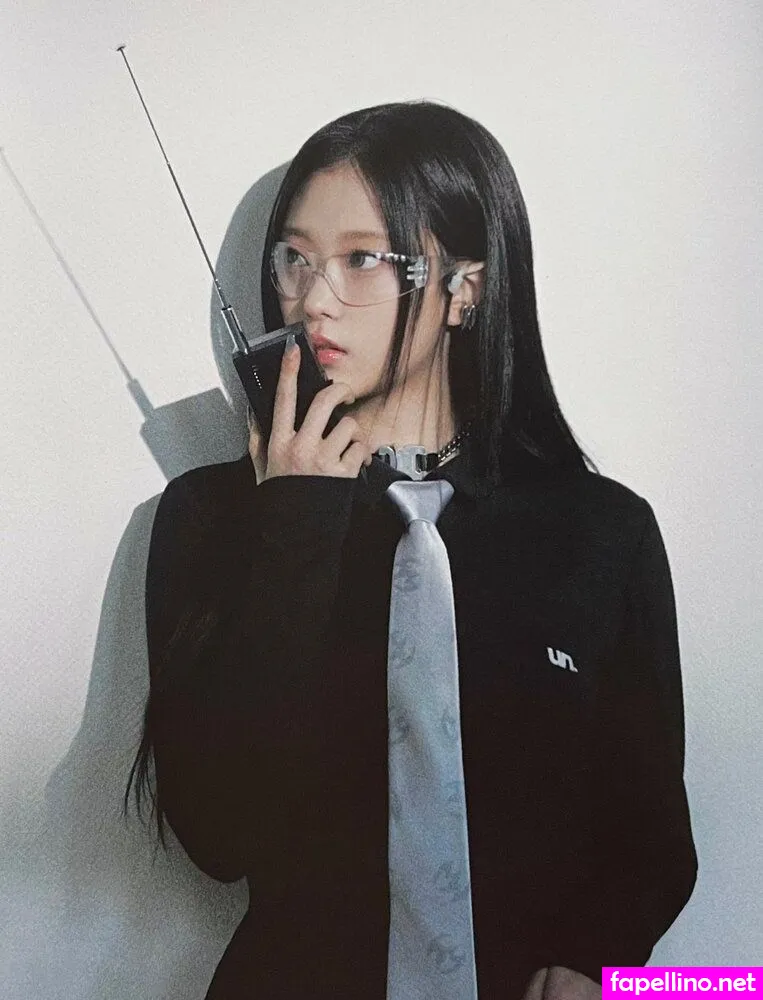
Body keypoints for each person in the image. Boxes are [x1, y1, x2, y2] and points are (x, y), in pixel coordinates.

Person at [126, 100, 697, 999]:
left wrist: (599, 957)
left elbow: (650, 833)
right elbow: (219, 835)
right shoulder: (214, 517)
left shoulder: (598, 531)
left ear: (463, 289)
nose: (313, 298)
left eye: (362, 259)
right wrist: (297, 522)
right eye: (295, 258)